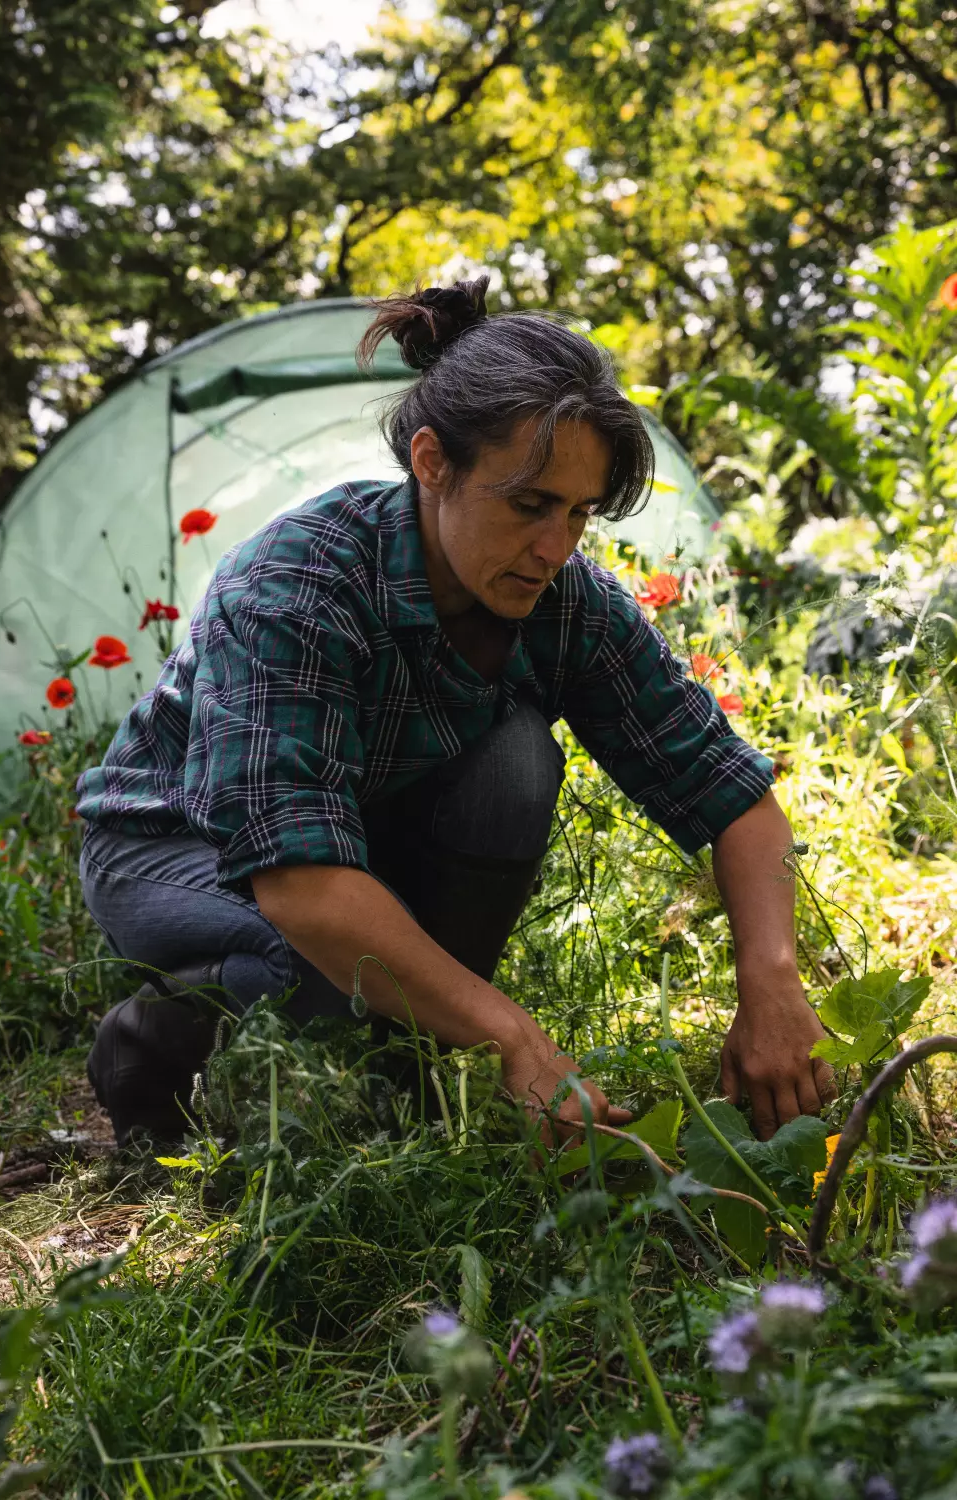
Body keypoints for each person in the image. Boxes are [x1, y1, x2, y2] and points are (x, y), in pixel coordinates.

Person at [76, 277, 834, 1147]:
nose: (555, 547)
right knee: (314, 970)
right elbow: (297, 880)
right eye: (529, 504)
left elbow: (731, 795)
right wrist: (511, 1033)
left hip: (347, 848)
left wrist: (772, 984)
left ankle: (419, 1056)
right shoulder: (297, 584)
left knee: (517, 760)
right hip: (178, 846)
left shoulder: (568, 601)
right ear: (433, 463)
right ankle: (146, 1046)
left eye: (580, 514)